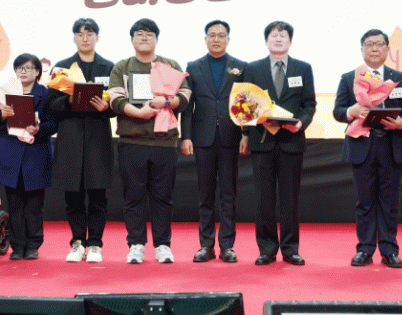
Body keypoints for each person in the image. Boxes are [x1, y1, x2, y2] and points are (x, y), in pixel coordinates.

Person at [108, 18, 191, 264]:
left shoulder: (169, 65)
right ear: (132, 39)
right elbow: (115, 99)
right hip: (131, 141)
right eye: (139, 34)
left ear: (157, 39)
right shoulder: (122, 67)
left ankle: (162, 245)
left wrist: (166, 102)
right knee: (133, 197)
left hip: (164, 142)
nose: (144, 38)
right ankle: (136, 244)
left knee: (163, 197)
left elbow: (185, 96)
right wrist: (138, 112)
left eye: (149, 34)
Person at [332, 29, 402, 269]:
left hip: (390, 144)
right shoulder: (349, 78)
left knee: (389, 202)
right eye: (369, 44)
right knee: (365, 201)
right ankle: (365, 249)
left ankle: (389, 250)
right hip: (362, 145)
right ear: (362, 49)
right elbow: (337, 111)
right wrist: (351, 111)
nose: (374, 48)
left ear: (387, 49)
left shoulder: (399, 78)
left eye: (379, 44)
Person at [240, 21, 316, 266]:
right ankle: (267, 249)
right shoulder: (253, 68)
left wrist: (301, 123)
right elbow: (244, 103)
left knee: (290, 199)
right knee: (264, 199)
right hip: (262, 141)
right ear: (266, 41)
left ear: (290, 41)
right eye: (274, 35)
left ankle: (291, 249)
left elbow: (309, 104)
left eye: (283, 35)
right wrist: (247, 129)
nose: (279, 39)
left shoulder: (303, 68)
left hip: (291, 141)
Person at [47, 18, 114, 264]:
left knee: (98, 195)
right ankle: (77, 242)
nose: (85, 38)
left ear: (98, 37)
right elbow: (51, 105)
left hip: (98, 137)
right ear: (74, 38)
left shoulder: (109, 67)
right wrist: (68, 101)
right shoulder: (62, 68)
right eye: (80, 34)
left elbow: (118, 104)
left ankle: (95, 244)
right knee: (73, 196)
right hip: (71, 137)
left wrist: (107, 107)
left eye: (90, 33)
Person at [181, 20, 247, 264]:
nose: (216, 39)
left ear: (228, 40)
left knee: (229, 194)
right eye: (212, 35)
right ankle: (206, 245)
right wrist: (186, 136)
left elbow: (247, 104)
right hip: (202, 138)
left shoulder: (240, 67)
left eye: (221, 35)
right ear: (205, 39)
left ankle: (227, 246)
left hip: (231, 136)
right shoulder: (194, 67)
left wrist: (246, 133)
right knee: (205, 194)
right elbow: (188, 107)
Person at [0, 53, 57, 260]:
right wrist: (3, 115)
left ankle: (33, 245)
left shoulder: (46, 94)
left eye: (28, 68)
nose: (23, 72)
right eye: (19, 68)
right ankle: (17, 246)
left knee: (34, 205)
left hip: (35, 155)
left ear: (37, 72)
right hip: (10, 155)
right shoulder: (5, 92)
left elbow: (54, 124)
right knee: (15, 204)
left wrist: (39, 129)